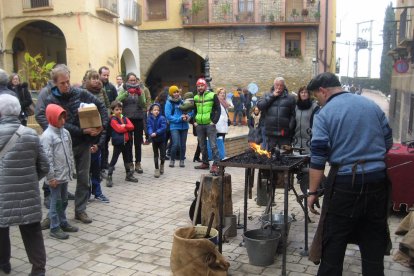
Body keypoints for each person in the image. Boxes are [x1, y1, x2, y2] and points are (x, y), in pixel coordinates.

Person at [306, 72, 393, 276]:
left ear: (323, 91)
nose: (318, 101)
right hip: (378, 181)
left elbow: (318, 160)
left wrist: (312, 192)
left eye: (316, 97)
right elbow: (388, 142)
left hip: (346, 184)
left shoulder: (324, 114)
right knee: (373, 243)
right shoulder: (371, 105)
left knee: (334, 242)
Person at [35, 64, 108, 224]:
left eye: (68, 81)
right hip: (61, 145)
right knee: (60, 182)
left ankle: (80, 210)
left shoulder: (80, 93)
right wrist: (84, 131)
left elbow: (102, 106)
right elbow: (61, 125)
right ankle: (54, 215)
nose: (66, 85)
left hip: (82, 144)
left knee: (83, 178)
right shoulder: (51, 100)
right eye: (62, 83)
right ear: (55, 83)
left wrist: (100, 126)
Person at [0, 94, 49, 276]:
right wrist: (29, 178)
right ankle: (38, 270)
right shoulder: (30, 134)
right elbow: (44, 166)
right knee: (32, 231)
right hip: (28, 193)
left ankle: (4, 263)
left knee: (1, 228)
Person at [40, 104, 79, 239]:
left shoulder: (65, 132)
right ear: (52, 118)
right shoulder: (47, 136)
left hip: (64, 175)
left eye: (64, 118)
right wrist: (50, 177)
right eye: (59, 119)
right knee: (56, 202)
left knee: (63, 201)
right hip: (55, 177)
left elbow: (69, 152)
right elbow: (46, 159)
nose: (63, 121)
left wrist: (71, 169)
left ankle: (63, 222)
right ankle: (54, 226)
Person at [83, 69, 110, 203]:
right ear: (87, 80)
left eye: (96, 78)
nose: (96, 80)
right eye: (93, 78)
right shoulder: (81, 94)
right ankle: (86, 194)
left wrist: (98, 143)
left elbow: (105, 113)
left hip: (98, 135)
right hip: (85, 136)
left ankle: (97, 192)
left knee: (96, 167)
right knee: (86, 169)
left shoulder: (102, 92)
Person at [116, 72, 147, 174]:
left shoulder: (140, 90)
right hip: (127, 120)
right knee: (129, 143)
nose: (133, 82)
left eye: (134, 80)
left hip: (138, 119)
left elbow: (143, 104)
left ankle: (138, 163)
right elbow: (117, 101)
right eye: (131, 80)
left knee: (138, 143)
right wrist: (126, 93)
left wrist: (140, 94)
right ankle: (130, 163)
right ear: (127, 81)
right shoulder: (123, 89)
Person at [257, 76, 296, 150]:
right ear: (274, 85)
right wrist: (272, 96)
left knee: (285, 156)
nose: (279, 87)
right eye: (277, 85)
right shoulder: (266, 95)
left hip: (284, 134)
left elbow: (293, 115)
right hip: (270, 134)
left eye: (281, 85)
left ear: (284, 86)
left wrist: (289, 127)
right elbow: (260, 106)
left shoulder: (291, 98)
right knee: (271, 157)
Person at [106, 100, 138, 187]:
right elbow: (119, 129)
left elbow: (132, 127)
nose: (119, 111)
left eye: (120, 109)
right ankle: (109, 176)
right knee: (114, 159)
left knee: (127, 158)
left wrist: (125, 126)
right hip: (118, 143)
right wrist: (125, 127)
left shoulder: (124, 118)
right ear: (112, 110)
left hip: (127, 142)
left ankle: (128, 175)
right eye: (116, 109)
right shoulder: (113, 119)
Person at [193, 78, 221, 174]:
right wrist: (194, 121)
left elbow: (218, 109)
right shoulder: (196, 97)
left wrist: (214, 121)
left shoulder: (213, 95)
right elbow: (194, 111)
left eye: (202, 86)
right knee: (202, 145)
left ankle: (216, 164)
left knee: (213, 145)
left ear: (205, 86)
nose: (200, 87)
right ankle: (205, 163)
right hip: (199, 125)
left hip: (209, 124)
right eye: (198, 86)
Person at [165, 85, 191, 168]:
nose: (176, 93)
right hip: (174, 126)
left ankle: (182, 160)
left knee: (183, 145)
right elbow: (168, 116)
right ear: (171, 93)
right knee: (175, 144)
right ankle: (172, 160)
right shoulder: (169, 103)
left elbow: (191, 110)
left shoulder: (182, 101)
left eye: (177, 92)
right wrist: (179, 118)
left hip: (184, 126)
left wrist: (188, 116)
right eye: (174, 92)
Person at [99, 66, 118, 177]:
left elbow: (115, 101)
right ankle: (99, 165)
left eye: (107, 75)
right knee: (99, 143)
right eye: (104, 75)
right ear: (100, 74)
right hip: (99, 120)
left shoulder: (111, 87)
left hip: (109, 119)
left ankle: (105, 163)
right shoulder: (97, 87)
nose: (106, 77)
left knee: (106, 142)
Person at [293, 86, 319, 154]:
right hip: (297, 142)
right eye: (302, 92)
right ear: (299, 94)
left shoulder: (314, 107)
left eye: (305, 92)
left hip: (309, 142)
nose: (304, 94)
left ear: (309, 94)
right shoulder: (296, 107)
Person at [147, 103, 167, 177]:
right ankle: (156, 169)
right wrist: (150, 133)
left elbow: (163, 127)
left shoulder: (162, 118)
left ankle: (162, 165)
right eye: (155, 110)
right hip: (154, 140)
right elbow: (149, 127)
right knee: (155, 155)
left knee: (162, 155)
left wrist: (156, 133)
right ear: (151, 111)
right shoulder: (149, 119)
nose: (156, 111)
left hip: (161, 139)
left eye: (158, 110)